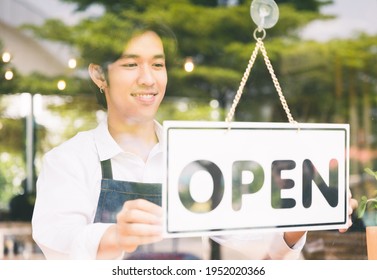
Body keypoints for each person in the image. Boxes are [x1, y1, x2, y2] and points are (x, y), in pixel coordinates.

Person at [31, 22, 357, 260]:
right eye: (131, 64)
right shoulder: (70, 160)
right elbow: (59, 242)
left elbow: (259, 243)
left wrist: (305, 212)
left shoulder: (192, 157)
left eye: (157, 65)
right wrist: (115, 235)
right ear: (99, 75)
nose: (148, 78)